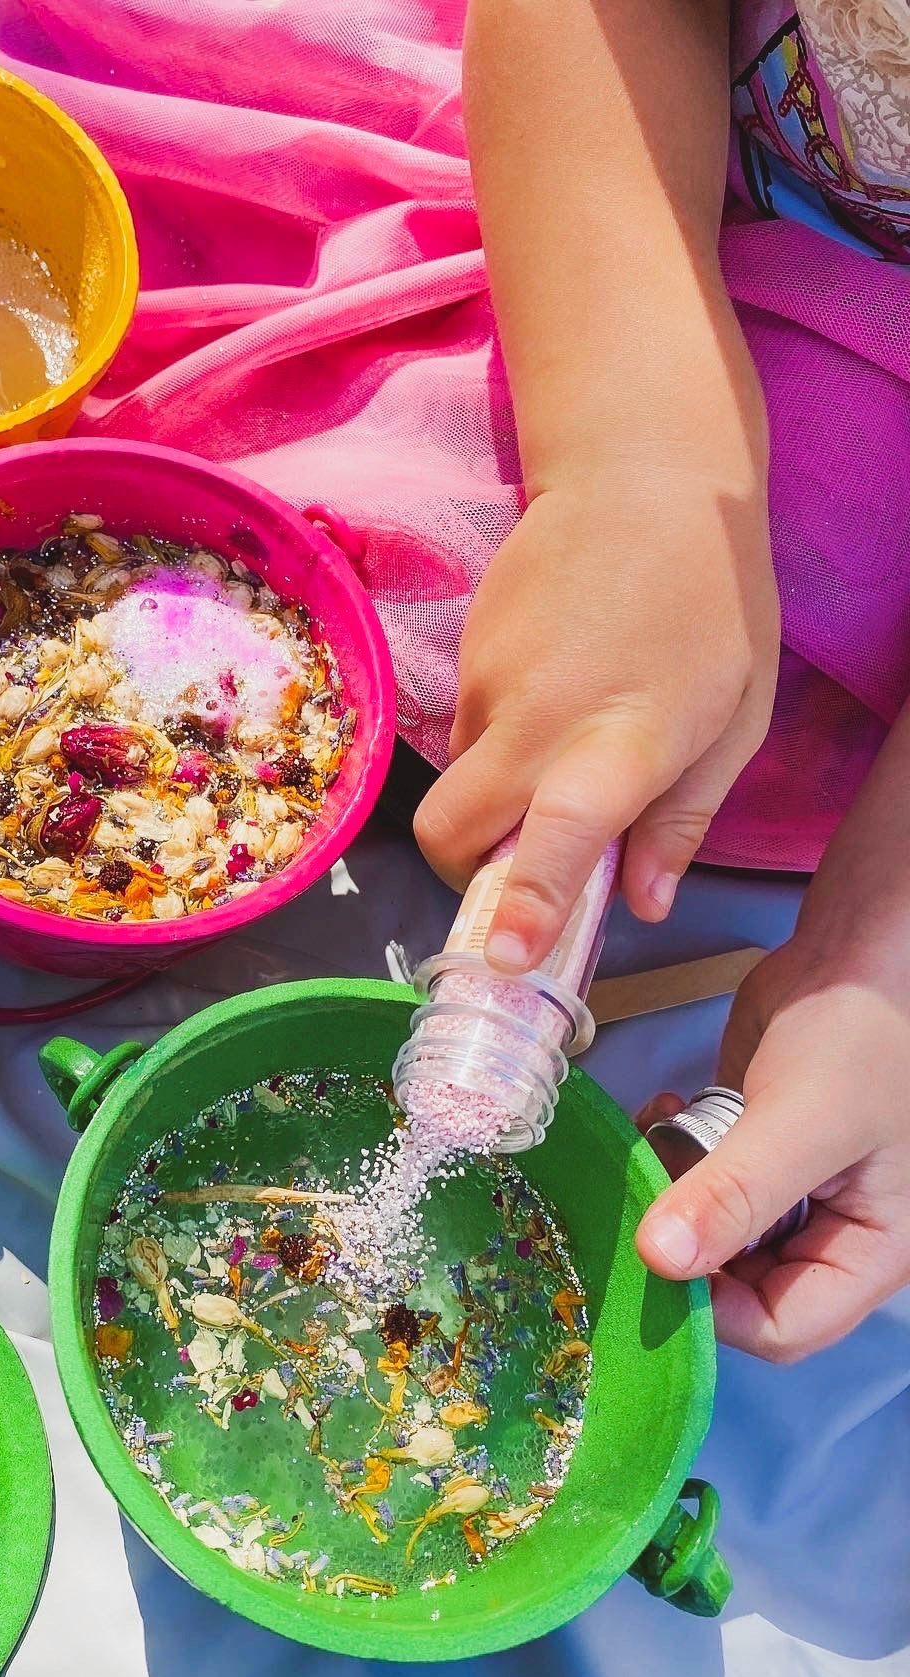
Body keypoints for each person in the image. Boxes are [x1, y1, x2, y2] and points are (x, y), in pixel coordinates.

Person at [408, 0, 910, 1362]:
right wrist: (636, 468)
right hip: (648, 179)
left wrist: (881, 951)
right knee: (446, 580)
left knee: (768, 673)